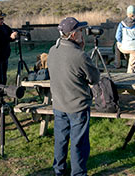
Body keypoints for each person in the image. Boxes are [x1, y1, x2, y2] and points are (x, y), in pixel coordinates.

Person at [47, 17, 100, 176]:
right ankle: (78, 173)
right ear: (73, 34)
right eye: (80, 31)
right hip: (77, 106)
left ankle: (59, 170)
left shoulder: (52, 50)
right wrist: (82, 51)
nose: (83, 34)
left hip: (58, 103)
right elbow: (94, 78)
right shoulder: (79, 55)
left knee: (60, 140)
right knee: (79, 143)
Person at [115, 5, 135, 73]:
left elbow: (117, 37)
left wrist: (122, 42)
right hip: (134, 48)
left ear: (127, 13)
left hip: (124, 47)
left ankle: (117, 64)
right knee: (131, 66)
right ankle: (130, 73)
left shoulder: (121, 24)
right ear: (133, 13)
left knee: (117, 45)